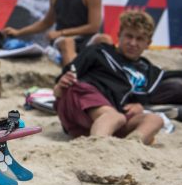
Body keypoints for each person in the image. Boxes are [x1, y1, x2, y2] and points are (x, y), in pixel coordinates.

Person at [53, 10, 171, 145]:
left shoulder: (148, 70)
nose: (132, 43)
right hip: (82, 101)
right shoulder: (100, 51)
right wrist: (60, 85)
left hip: (109, 118)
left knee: (155, 120)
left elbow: (142, 99)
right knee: (114, 116)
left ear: (148, 43)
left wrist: (139, 105)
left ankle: (131, 145)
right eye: (129, 36)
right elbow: (62, 83)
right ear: (119, 35)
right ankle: (97, 148)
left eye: (139, 39)